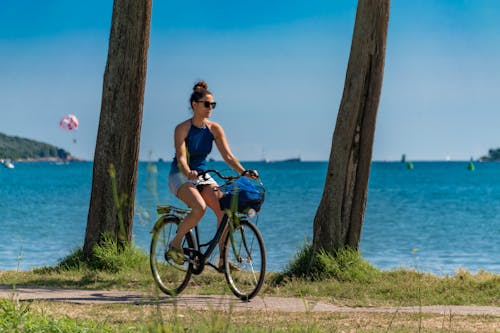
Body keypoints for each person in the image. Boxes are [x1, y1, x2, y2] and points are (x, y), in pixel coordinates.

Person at [167, 80, 258, 266]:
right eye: (207, 104)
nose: (211, 108)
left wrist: (244, 172)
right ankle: (175, 244)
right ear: (195, 105)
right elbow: (182, 158)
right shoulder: (182, 129)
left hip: (202, 174)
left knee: (225, 211)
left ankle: (222, 260)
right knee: (199, 208)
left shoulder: (214, 129)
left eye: (213, 105)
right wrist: (187, 172)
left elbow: (228, 156)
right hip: (180, 175)